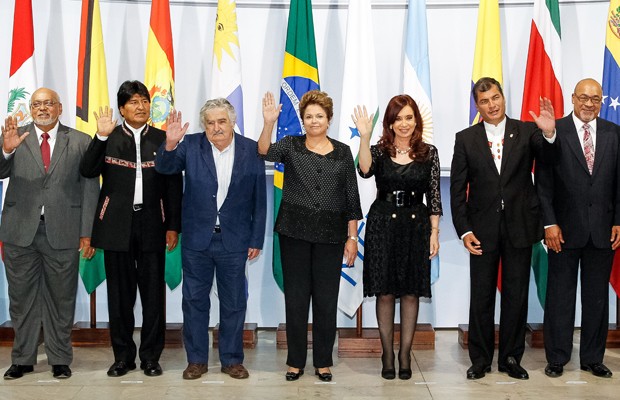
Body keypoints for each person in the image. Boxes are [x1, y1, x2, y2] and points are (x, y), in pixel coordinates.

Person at [450, 77, 557, 380]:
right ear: (478, 106)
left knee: (516, 296)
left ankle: (511, 358)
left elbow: (549, 161)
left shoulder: (527, 131)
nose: (492, 105)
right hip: (481, 231)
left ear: (503, 98)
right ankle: (480, 359)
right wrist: (464, 230)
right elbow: (457, 190)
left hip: (520, 227)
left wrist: (549, 133)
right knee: (481, 296)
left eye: (495, 97)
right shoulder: (465, 138)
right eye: (484, 101)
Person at [155, 99, 266, 380]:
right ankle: (196, 360)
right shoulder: (191, 145)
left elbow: (259, 199)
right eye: (210, 123)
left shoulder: (251, 149)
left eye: (222, 121)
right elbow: (164, 168)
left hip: (235, 240)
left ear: (232, 122)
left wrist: (256, 238)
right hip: (197, 239)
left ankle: (232, 360)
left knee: (234, 302)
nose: (216, 127)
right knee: (194, 301)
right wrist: (170, 143)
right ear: (204, 125)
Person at [79, 80, 183, 378]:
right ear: (122, 109)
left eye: (145, 101)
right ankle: (122, 357)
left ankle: (151, 357)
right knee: (120, 297)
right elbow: (87, 170)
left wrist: (173, 226)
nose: (141, 107)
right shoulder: (108, 138)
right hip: (115, 226)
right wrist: (100, 136)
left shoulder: (163, 138)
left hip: (153, 224)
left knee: (153, 297)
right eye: (134, 102)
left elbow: (174, 186)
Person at [259, 90, 362, 382]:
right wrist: (268, 122)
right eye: (308, 116)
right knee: (296, 299)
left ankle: (323, 362)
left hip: (331, 235)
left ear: (329, 119)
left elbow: (351, 198)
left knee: (326, 300)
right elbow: (264, 151)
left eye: (319, 116)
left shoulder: (343, 151)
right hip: (294, 232)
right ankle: (295, 362)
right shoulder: (291, 145)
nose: (314, 121)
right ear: (302, 120)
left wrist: (352, 238)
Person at [0, 88, 99, 380]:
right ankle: (23, 359)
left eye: (48, 103)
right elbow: (1, 171)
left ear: (59, 108)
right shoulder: (15, 136)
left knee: (61, 299)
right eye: (36, 104)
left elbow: (90, 188)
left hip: (64, 231)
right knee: (21, 300)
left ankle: (59, 359)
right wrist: (6, 150)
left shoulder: (80, 140)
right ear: (31, 109)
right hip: (20, 231)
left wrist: (87, 232)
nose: (42, 108)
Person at [352, 95, 442, 380]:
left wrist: (435, 232)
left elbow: (435, 197)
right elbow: (364, 171)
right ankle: (387, 354)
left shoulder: (429, 152)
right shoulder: (379, 151)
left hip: (416, 225)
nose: (404, 123)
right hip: (383, 224)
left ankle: (404, 354)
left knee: (411, 291)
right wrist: (364, 137)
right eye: (398, 118)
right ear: (390, 122)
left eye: (409, 117)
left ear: (417, 120)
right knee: (386, 291)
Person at [537, 78, 620, 379]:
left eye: (595, 99)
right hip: (562, 231)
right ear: (572, 98)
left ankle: (593, 358)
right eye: (583, 97)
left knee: (597, 299)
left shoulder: (614, 133)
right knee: (560, 297)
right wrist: (549, 223)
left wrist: (618, 220)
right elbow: (543, 183)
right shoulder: (554, 130)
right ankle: (557, 357)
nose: (588, 104)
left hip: (603, 230)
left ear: (601, 101)